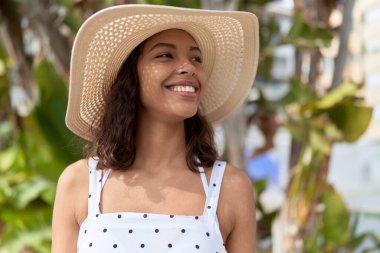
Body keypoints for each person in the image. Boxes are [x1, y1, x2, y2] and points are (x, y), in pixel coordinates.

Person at [52, 4, 259, 253]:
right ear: (130, 75)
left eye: (196, 58)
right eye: (165, 55)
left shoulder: (230, 187)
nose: (189, 67)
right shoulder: (80, 182)